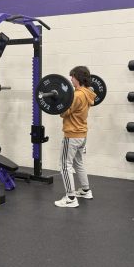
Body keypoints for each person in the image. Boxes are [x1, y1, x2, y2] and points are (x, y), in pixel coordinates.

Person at [54, 66, 97, 208]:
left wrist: (59, 100)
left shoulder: (77, 95)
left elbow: (63, 112)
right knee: (78, 163)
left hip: (72, 135)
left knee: (65, 166)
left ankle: (70, 198)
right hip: (82, 134)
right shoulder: (88, 93)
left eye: (72, 77)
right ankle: (85, 190)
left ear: (77, 78)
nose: (71, 80)